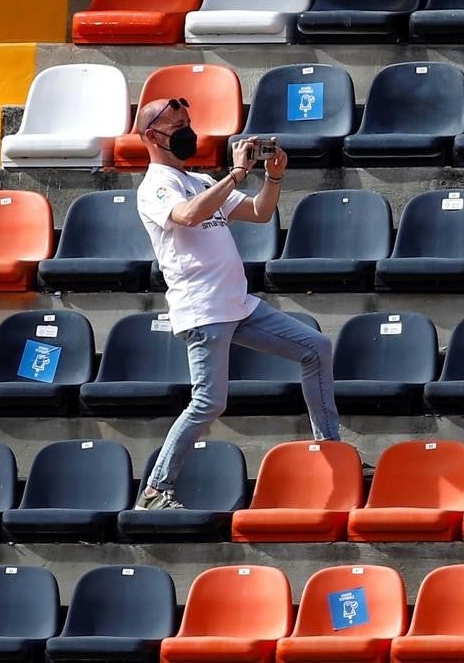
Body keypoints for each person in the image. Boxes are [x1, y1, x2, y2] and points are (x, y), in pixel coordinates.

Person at [133, 97, 341, 510]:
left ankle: (331, 449)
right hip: (204, 309)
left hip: (238, 305)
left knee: (315, 348)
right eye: (179, 127)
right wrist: (238, 172)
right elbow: (189, 216)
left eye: (189, 123)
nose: (188, 132)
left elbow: (260, 213)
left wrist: (272, 178)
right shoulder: (157, 185)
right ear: (153, 137)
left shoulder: (199, 181)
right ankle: (156, 489)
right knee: (209, 401)